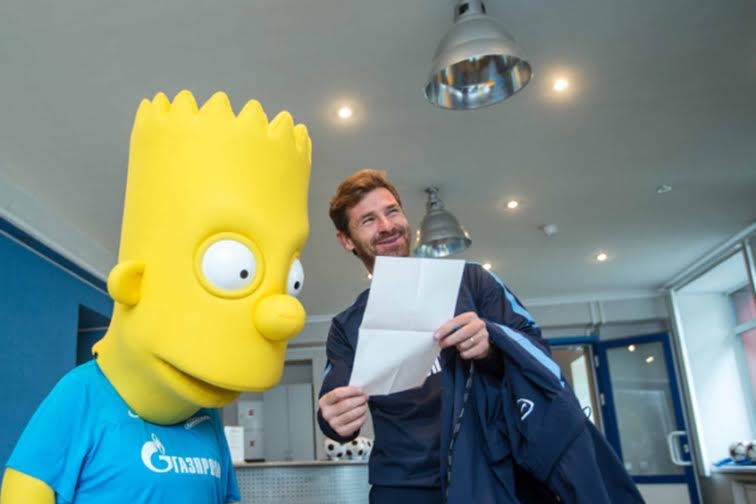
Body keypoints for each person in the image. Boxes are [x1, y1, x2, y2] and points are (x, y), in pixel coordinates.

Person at [317, 169, 548, 504]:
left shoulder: (473, 282)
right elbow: (334, 413)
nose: (387, 226)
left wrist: (492, 342)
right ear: (346, 240)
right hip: (403, 488)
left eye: (392, 211)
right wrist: (333, 418)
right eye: (368, 220)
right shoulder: (346, 326)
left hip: (493, 473)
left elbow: (537, 352)